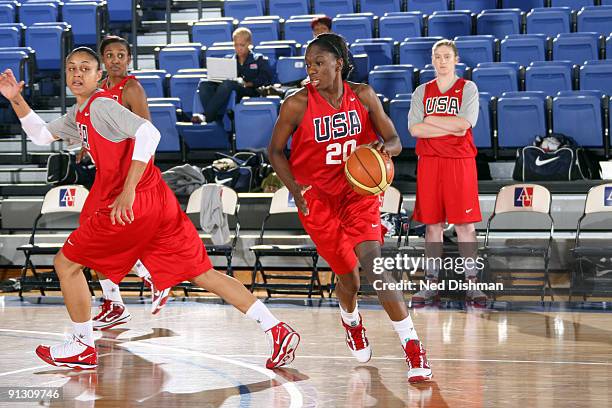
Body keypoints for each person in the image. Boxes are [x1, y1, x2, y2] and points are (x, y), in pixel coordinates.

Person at [0, 46, 300, 370]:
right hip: (158, 199)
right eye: (71, 68)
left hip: (134, 202)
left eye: (85, 68)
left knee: (67, 264)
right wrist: (16, 98)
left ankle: (83, 344)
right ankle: (276, 328)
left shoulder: (101, 105)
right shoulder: (81, 112)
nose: (76, 74)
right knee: (203, 273)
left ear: (99, 75)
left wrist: (128, 189)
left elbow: (149, 132)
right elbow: (42, 135)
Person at [268, 33, 432, 383]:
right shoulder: (296, 104)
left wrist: (382, 147)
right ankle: (351, 320)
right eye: (308, 64)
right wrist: (296, 191)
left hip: (357, 193)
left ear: (338, 64)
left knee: (375, 264)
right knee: (349, 279)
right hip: (318, 200)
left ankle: (413, 348)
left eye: (319, 63)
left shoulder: (363, 95)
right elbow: (275, 151)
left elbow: (396, 141)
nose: (311, 69)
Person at [84, 35, 170, 329]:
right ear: (103, 61)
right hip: (108, 174)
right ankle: (117, 300)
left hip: (130, 176)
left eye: (122, 55)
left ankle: (149, 278)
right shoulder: (98, 92)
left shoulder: (131, 88)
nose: (116, 60)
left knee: (101, 236)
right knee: (93, 236)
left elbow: (148, 134)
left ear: (129, 59)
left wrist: (138, 181)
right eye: (110, 55)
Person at [408, 39, 487, 304]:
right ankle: (430, 283)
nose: (442, 61)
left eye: (446, 57)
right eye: (437, 57)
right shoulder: (422, 91)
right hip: (429, 162)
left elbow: (465, 124)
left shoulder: (468, 88)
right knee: (433, 226)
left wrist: (431, 121)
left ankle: (473, 284)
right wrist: (447, 127)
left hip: (459, 161)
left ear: (456, 59)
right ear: (432, 60)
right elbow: (415, 129)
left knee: (465, 225)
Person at [193, 27, 273, 123]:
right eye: (235, 45)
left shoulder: (259, 59)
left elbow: (266, 78)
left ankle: (207, 117)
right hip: (228, 87)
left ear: (249, 44)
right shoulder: (228, 60)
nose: (238, 48)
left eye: (241, 45)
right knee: (204, 84)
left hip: (250, 91)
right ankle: (214, 119)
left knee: (228, 84)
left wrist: (249, 84)